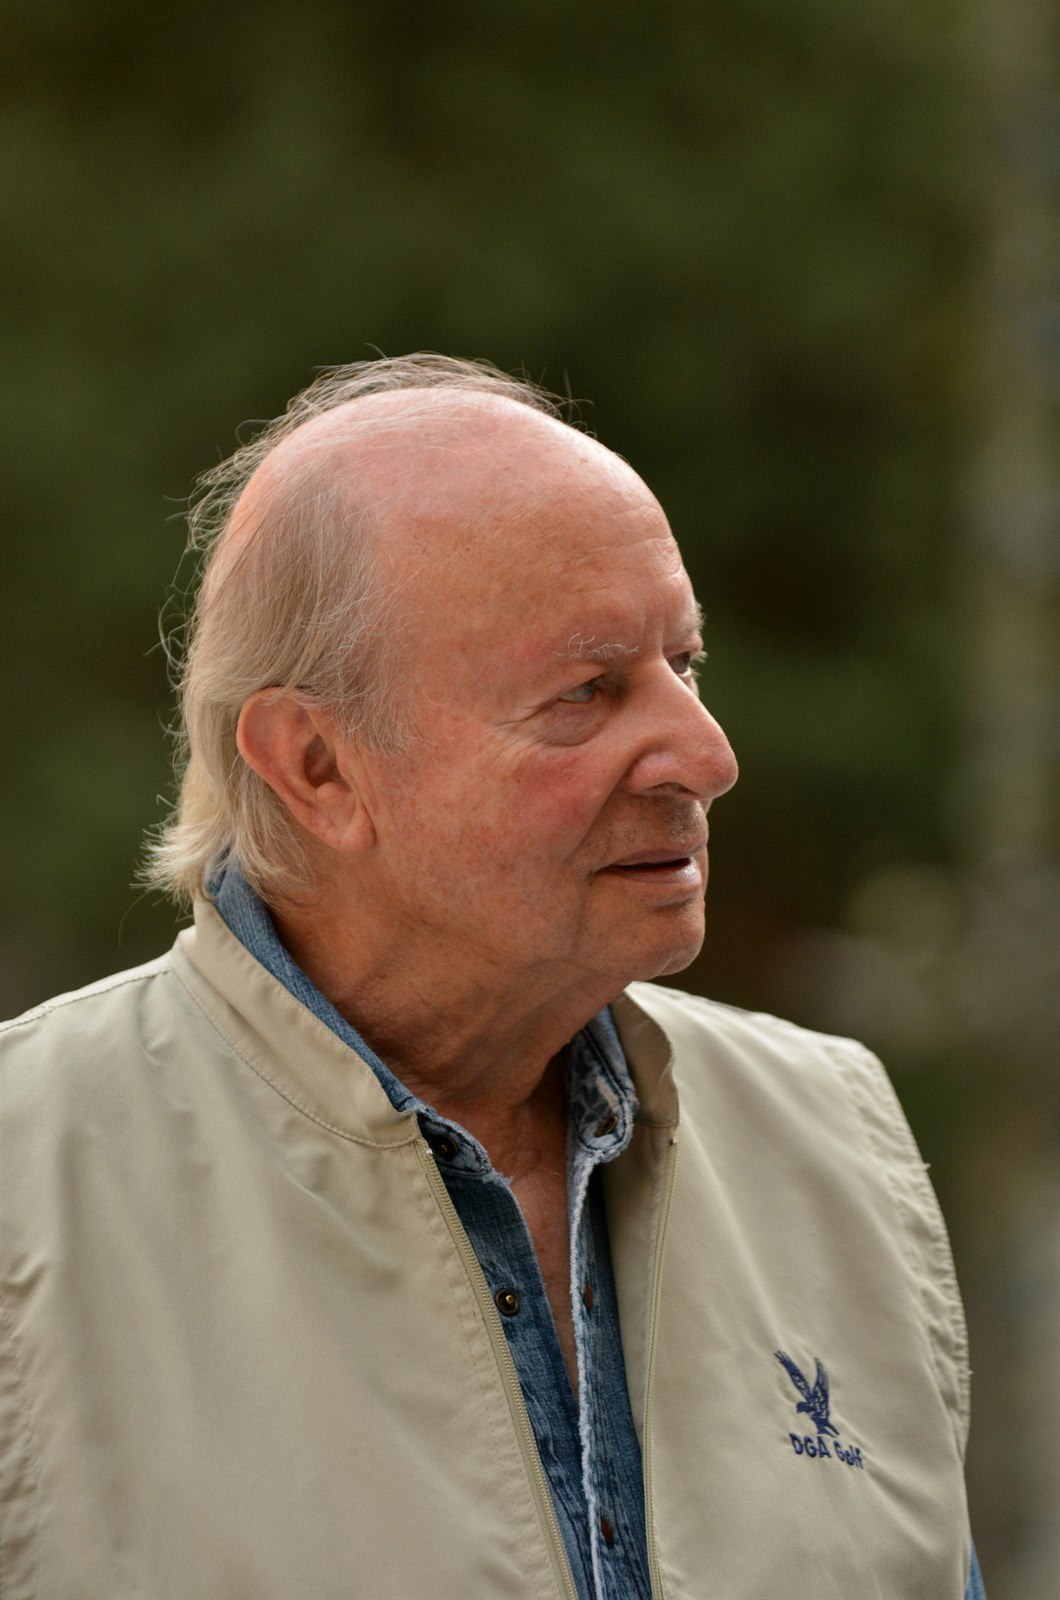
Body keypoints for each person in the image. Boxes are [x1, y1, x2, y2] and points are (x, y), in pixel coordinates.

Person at [1, 355, 985, 1599]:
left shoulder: (834, 1137)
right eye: (586, 692)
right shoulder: (27, 1188)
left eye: (685, 664)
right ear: (317, 767)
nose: (705, 754)